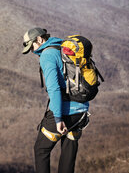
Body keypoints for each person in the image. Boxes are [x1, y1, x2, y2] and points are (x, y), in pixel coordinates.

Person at [22, 27, 89, 173]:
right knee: (68, 152)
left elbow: (54, 89)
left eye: (31, 47)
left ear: (39, 39)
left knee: (40, 149)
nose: (32, 51)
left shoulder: (47, 55)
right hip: (81, 111)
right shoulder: (62, 47)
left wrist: (58, 119)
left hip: (64, 111)